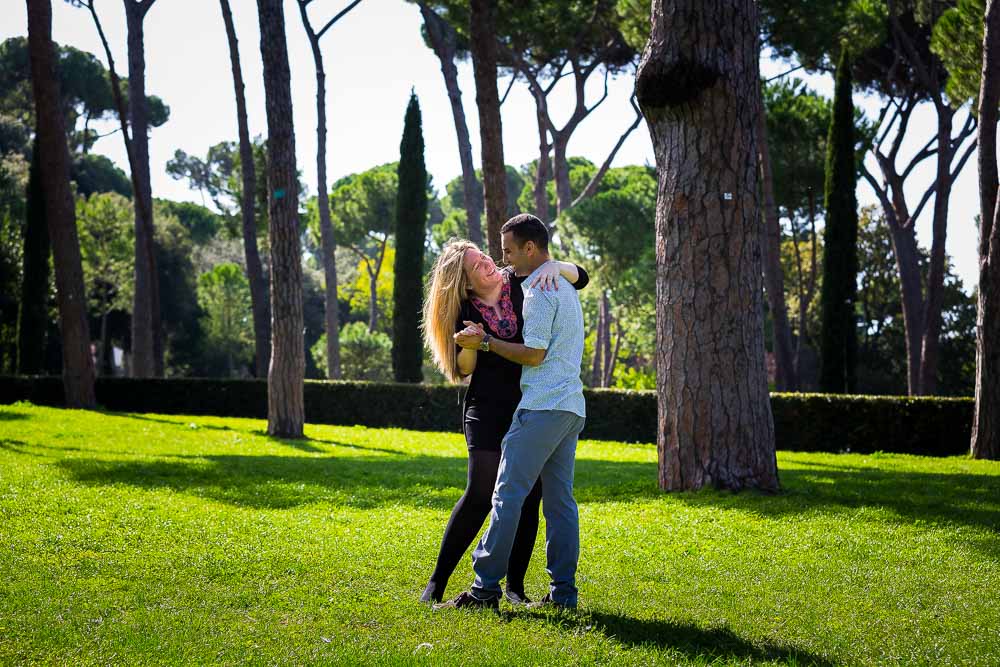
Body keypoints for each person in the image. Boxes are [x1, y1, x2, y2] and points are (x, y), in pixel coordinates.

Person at [420, 236, 589, 605]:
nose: (486, 262)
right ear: (464, 282)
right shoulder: (466, 309)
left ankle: (514, 588)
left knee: (530, 496)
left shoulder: (520, 279)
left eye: (483, 255)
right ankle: (437, 582)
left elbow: (582, 277)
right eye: (475, 264)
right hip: (488, 406)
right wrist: (469, 345)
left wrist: (552, 265)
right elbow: (464, 370)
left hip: (530, 400)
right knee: (482, 492)